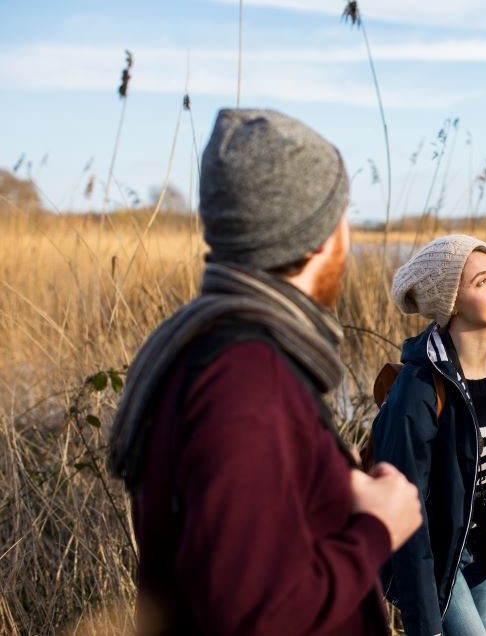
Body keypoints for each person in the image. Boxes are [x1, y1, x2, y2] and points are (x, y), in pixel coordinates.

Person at [107, 108, 422, 635]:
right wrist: (377, 528)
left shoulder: (204, 345)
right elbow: (254, 613)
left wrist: (336, 491)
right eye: (342, 215)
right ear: (321, 235)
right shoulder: (246, 378)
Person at [371, 235, 486, 636]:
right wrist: (423, 624)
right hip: (434, 554)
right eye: (483, 282)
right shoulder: (419, 389)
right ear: (451, 304)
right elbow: (404, 513)